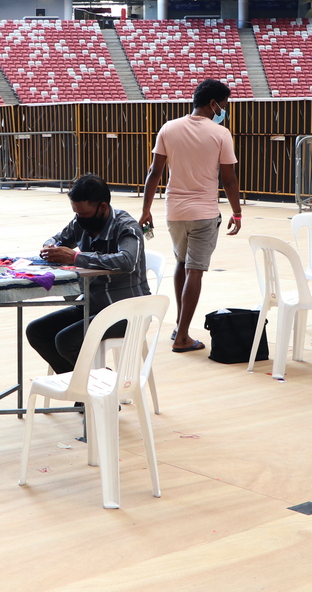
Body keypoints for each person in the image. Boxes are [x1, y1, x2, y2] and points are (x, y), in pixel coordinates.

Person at [141, 78, 242, 353]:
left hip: (174, 212)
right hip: (204, 213)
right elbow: (229, 181)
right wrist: (237, 212)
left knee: (181, 264)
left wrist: (146, 210)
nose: (224, 109)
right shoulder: (221, 134)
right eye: (224, 104)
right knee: (195, 270)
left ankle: (178, 324)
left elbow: (155, 173)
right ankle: (182, 336)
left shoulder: (169, 128)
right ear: (213, 104)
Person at [27, 174, 150, 373]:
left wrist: (76, 258)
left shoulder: (127, 226)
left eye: (83, 214)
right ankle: (85, 387)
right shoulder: (81, 221)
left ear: (102, 207)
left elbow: (127, 261)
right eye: (76, 213)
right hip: (91, 304)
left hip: (127, 311)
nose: (79, 218)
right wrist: (50, 247)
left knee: (65, 341)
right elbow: (58, 239)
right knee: (37, 331)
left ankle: (95, 390)